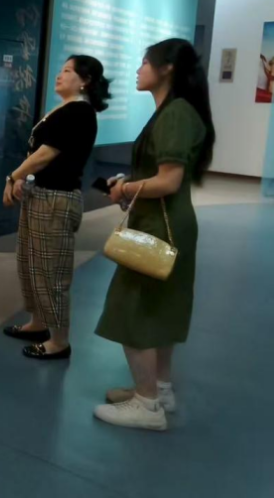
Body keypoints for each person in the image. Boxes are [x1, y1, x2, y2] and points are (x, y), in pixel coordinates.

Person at [94, 39, 215, 431]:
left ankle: (146, 405)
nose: (138, 68)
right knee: (160, 307)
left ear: (167, 69)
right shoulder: (175, 111)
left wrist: (126, 188)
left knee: (134, 309)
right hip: (169, 223)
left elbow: (168, 180)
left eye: (145, 62)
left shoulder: (175, 114)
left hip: (160, 227)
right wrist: (130, 186)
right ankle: (159, 389)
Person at [2, 55, 110, 360]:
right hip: (41, 195)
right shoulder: (64, 109)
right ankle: (38, 323)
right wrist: (26, 180)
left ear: (85, 80)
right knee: (32, 265)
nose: (59, 75)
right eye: (60, 70)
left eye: (67, 71)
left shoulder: (79, 112)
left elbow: (46, 154)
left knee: (51, 272)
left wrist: (14, 176)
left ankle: (59, 341)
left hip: (56, 200)